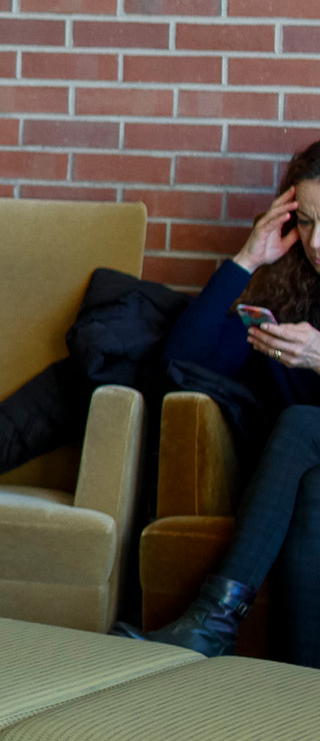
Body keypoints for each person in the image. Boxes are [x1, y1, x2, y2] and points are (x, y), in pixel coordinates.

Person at [120, 141, 320, 665]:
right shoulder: (287, 291)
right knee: (315, 491)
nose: (318, 243)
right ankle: (297, 686)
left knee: (301, 421)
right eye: (309, 223)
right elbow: (183, 362)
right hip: (306, 480)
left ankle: (214, 620)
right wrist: (247, 260)